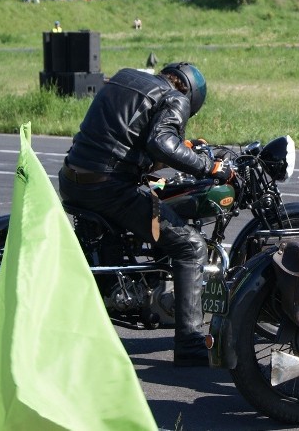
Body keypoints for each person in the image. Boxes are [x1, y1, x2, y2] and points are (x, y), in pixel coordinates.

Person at [57, 62, 233, 367]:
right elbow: (161, 143)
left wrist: (186, 147)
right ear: (190, 95)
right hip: (107, 187)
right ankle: (190, 343)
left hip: (73, 178)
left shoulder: (125, 77)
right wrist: (210, 166)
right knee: (190, 246)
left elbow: (128, 136)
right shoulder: (174, 98)